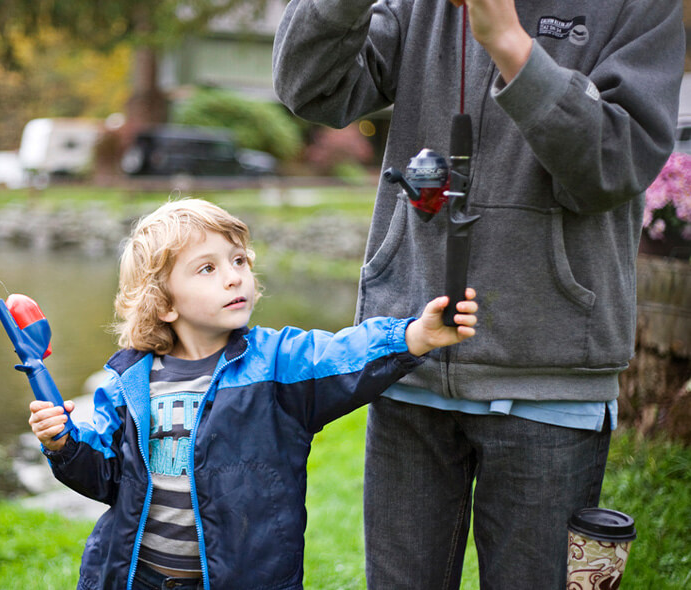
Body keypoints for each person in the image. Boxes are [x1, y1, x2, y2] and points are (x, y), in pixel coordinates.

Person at [272, 0, 684, 588]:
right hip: (409, 362)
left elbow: (613, 164)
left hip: (551, 384)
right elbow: (312, 90)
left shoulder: (639, 8)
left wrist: (511, 44)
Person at [28, 198, 478, 590]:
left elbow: (345, 353)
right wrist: (63, 444)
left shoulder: (278, 363)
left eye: (238, 260)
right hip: (138, 577)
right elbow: (104, 477)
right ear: (163, 303)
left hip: (247, 577)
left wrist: (414, 334)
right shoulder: (126, 384)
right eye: (208, 268)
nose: (233, 278)